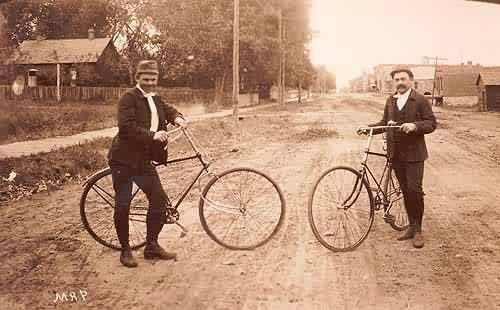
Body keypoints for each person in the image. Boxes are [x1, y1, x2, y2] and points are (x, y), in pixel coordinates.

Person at [107, 60, 188, 267]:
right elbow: (126, 127)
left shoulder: (155, 97)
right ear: (138, 79)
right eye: (146, 79)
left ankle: (151, 246)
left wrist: (178, 118)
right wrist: (153, 135)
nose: (151, 83)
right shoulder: (129, 98)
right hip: (123, 160)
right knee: (123, 204)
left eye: (154, 79)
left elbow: (167, 110)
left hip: (143, 160)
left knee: (159, 201)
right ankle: (125, 250)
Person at [357, 66, 437, 248]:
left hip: (415, 154)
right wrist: (368, 128)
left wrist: (415, 126)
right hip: (396, 154)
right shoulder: (391, 100)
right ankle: (410, 227)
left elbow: (431, 123)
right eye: (397, 80)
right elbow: (384, 123)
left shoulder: (420, 99)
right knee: (406, 191)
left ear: (410, 80)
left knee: (415, 190)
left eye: (403, 79)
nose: (400, 82)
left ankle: (417, 231)